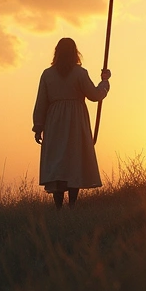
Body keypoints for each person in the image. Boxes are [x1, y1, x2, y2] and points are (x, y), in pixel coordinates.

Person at [32, 37, 111, 209]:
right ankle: (72, 205)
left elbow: (41, 102)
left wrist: (38, 126)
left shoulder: (48, 74)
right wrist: (105, 82)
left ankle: (59, 207)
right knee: (74, 160)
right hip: (75, 122)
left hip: (54, 123)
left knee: (58, 162)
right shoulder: (79, 73)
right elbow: (95, 95)